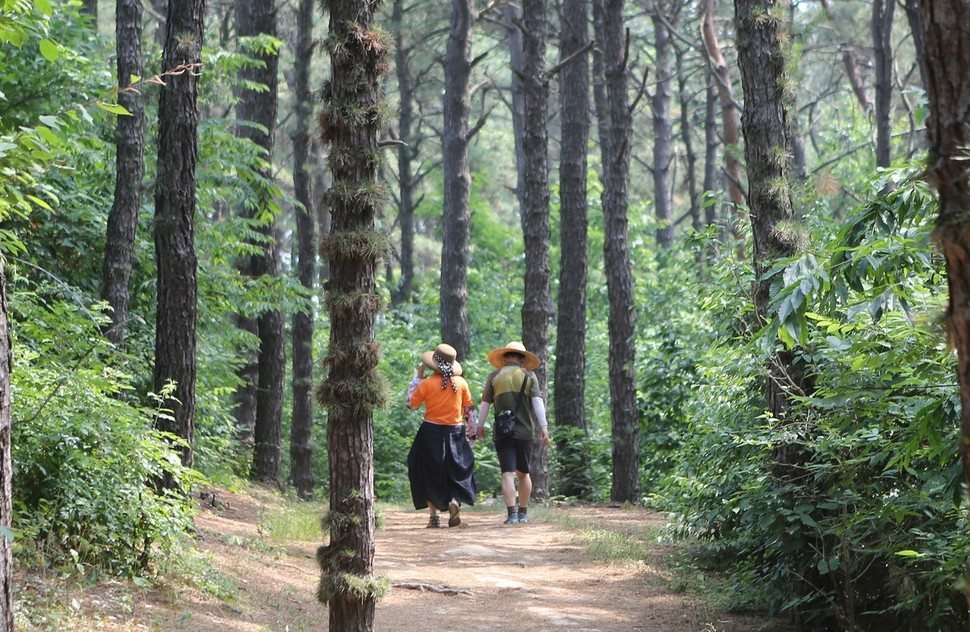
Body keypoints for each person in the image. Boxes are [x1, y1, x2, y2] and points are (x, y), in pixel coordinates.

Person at [476, 341, 549, 524]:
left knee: (507, 472)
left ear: (505, 357)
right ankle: (523, 513)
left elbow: (485, 404)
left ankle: (511, 514)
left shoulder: (494, 376)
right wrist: (544, 426)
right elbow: (537, 402)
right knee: (523, 473)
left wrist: (480, 425)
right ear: (522, 359)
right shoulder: (529, 376)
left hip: (502, 432)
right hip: (525, 432)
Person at [406, 343, 478, 528]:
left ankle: (434, 516)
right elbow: (469, 410)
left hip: (431, 432)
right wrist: (472, 434)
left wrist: (418, 377)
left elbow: (411, 405)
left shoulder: (426, 384)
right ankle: (454, 501)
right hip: (456, 431)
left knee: (427, 470)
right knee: (456, 469)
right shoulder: (461, 383)